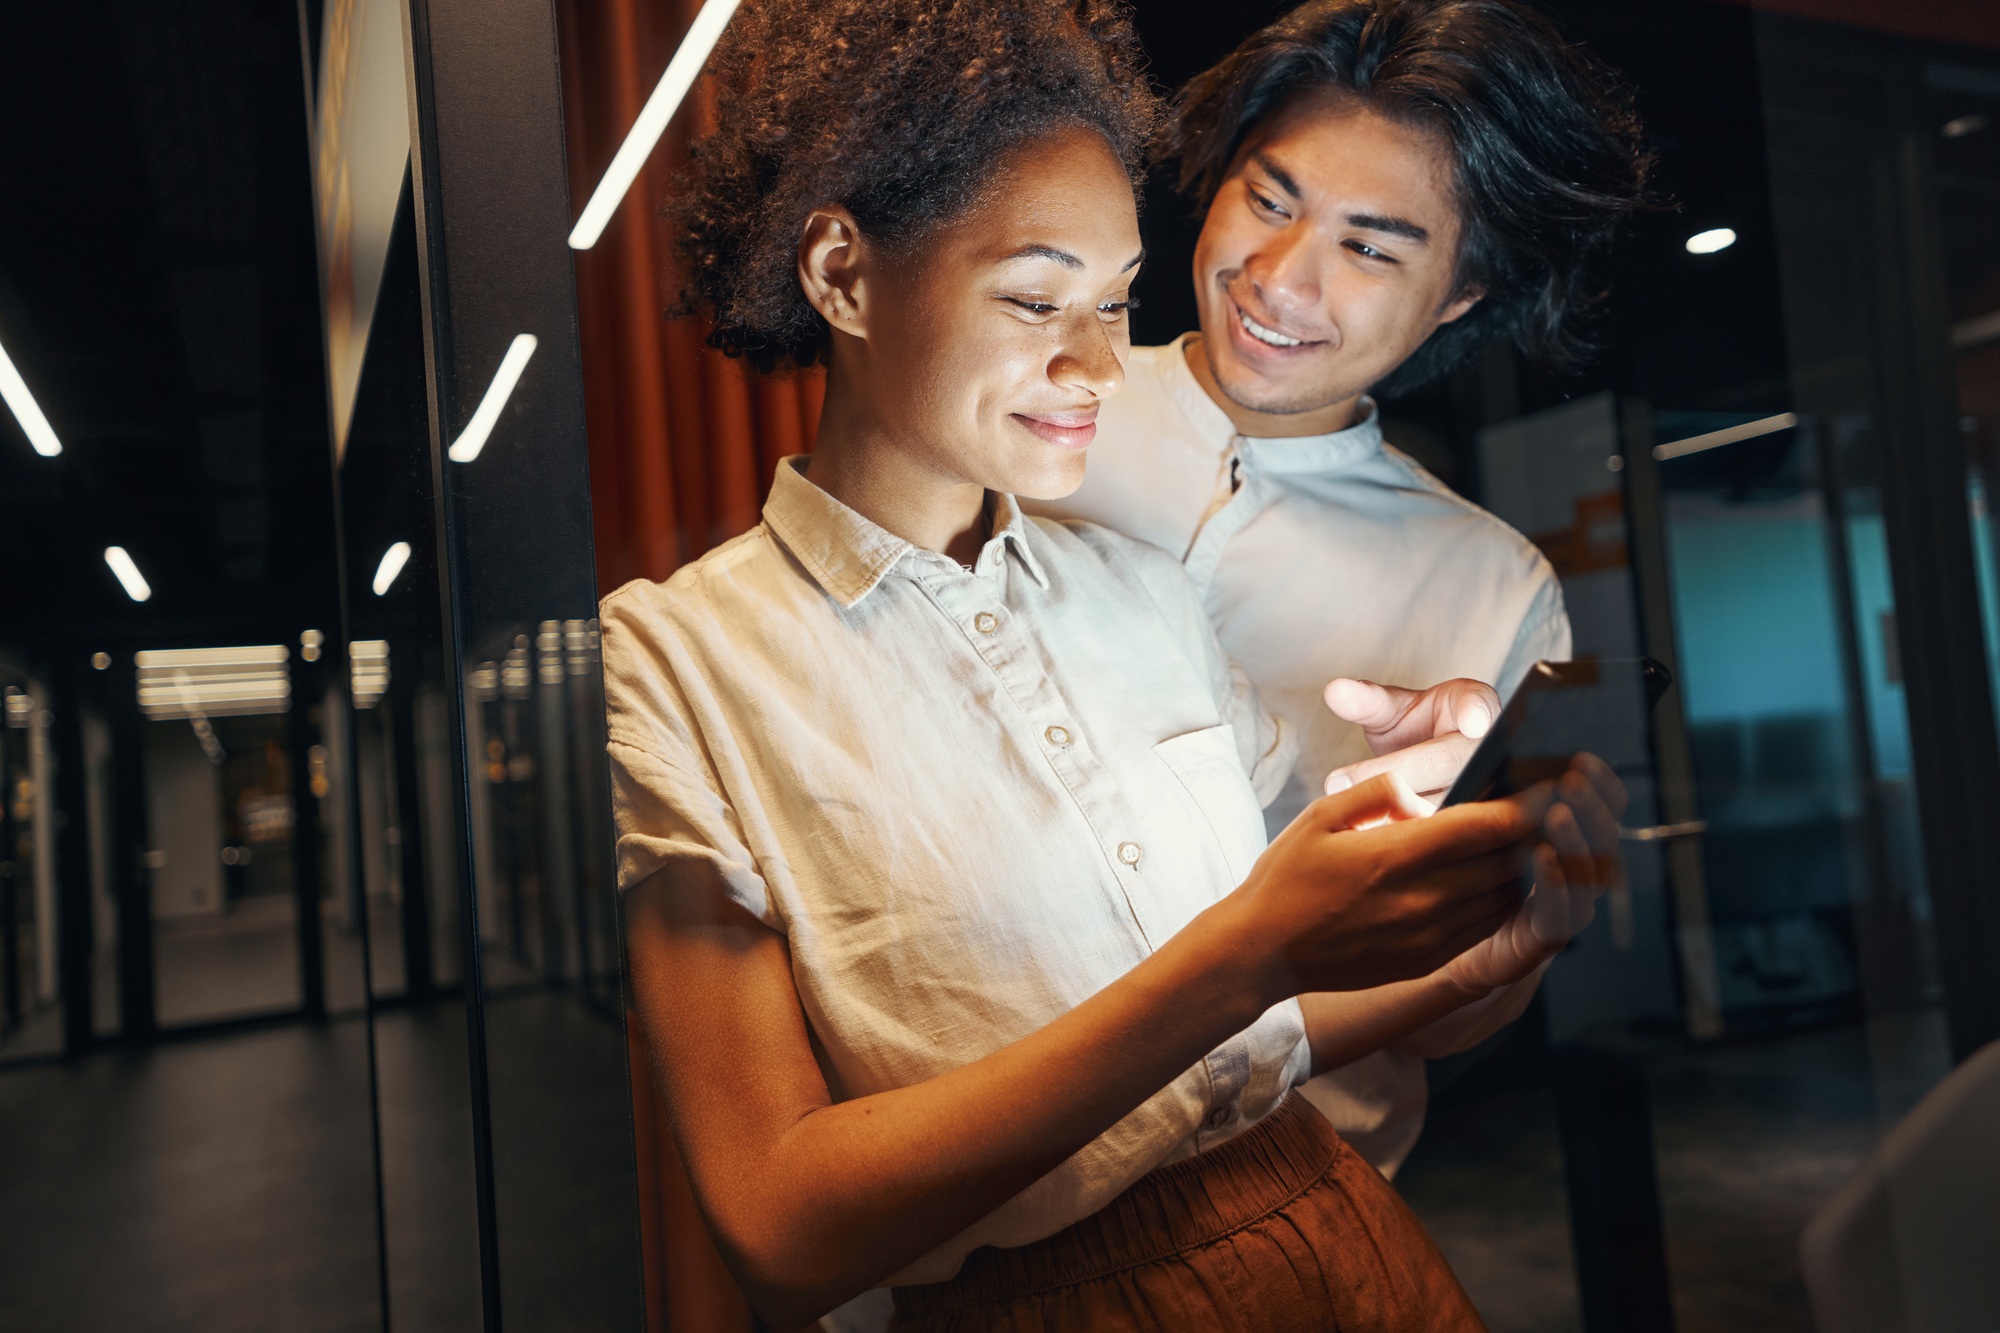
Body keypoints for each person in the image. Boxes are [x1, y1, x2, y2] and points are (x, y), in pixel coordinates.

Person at [602, 1, 1624, 1328]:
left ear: (1459, 294)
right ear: (844, 277)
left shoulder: (1149, 583)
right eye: (1042, 297)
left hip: (1335, 1215)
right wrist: (1252, 953)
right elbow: (780, 1221)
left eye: (1112, 302)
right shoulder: (690, 652)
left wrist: (1491, 941)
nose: (1094, 358)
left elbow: (1284, 1018)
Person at [1031, 0, 1653, 1178]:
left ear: (1460, 295)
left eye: (1369, 247)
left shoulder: (1491, 584)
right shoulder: (1029, 416)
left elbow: (1453, 1013)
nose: (1278, 280)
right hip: (971, 1182)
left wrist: (1528, 929)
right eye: (1267, 200)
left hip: (1288, 1193)